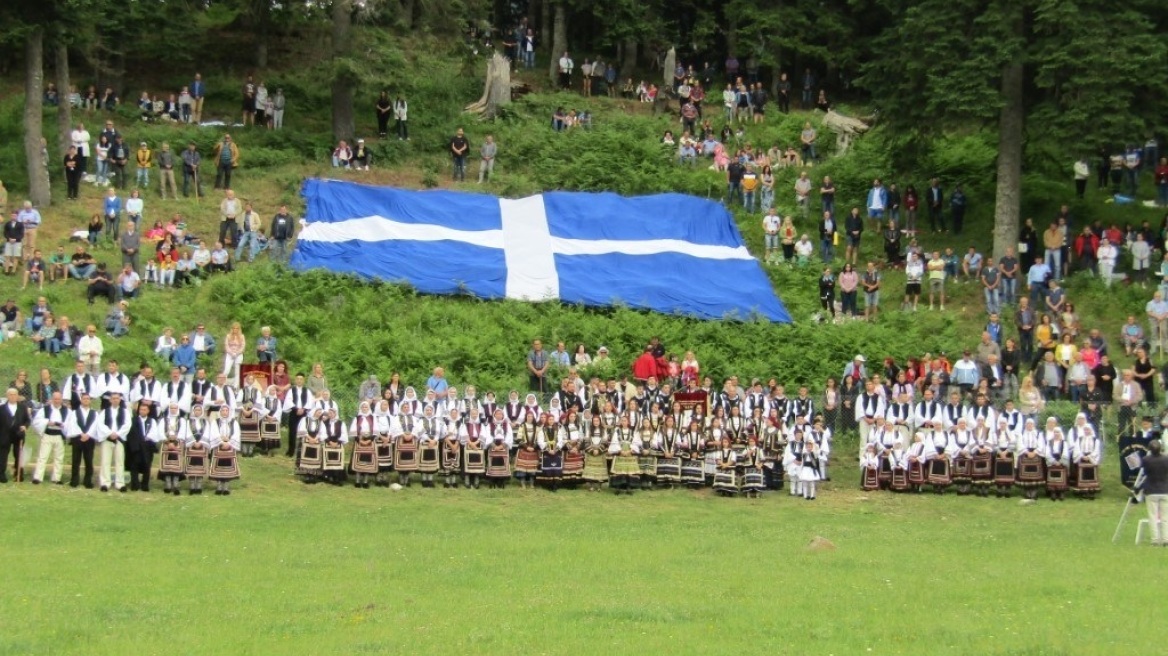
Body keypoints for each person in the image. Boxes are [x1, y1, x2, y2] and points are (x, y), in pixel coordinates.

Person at [1135, 439, 1168, 546]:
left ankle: (1155, 540)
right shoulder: (1166, 459)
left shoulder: (1146, 460)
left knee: (1152, 516)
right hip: (1164, 490)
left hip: (1151, 490)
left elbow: (1144, 474)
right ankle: (1165, 539)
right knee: (1165, 517)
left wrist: (1138, 487)